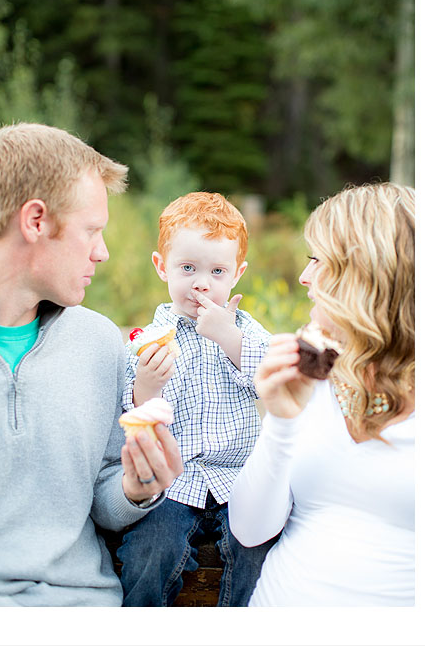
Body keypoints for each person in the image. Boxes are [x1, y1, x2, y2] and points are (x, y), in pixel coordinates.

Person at [0, 122, 184, 607]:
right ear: (36, 221)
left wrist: (137, 490)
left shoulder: (99, 342)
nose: (103, 251)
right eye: (92, 230)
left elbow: (102, 499)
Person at [229, 183, 415, 606]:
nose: (303, 276)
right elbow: (249, 527)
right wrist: (281, 420)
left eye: (318, 260)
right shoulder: (315, 375)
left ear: (368, 273)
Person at [117, 191, 276, 606]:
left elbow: (273, 381)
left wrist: (229, 337)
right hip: (175, 482)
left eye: (217, 271)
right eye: (187, 268)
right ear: (161, 266)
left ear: (237, 274)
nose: (201, 283)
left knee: (258, 552)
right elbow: (133, 411)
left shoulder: (243, 329)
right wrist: (147, 387)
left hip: (236, 480)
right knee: (150, 552)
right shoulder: (150, 337)